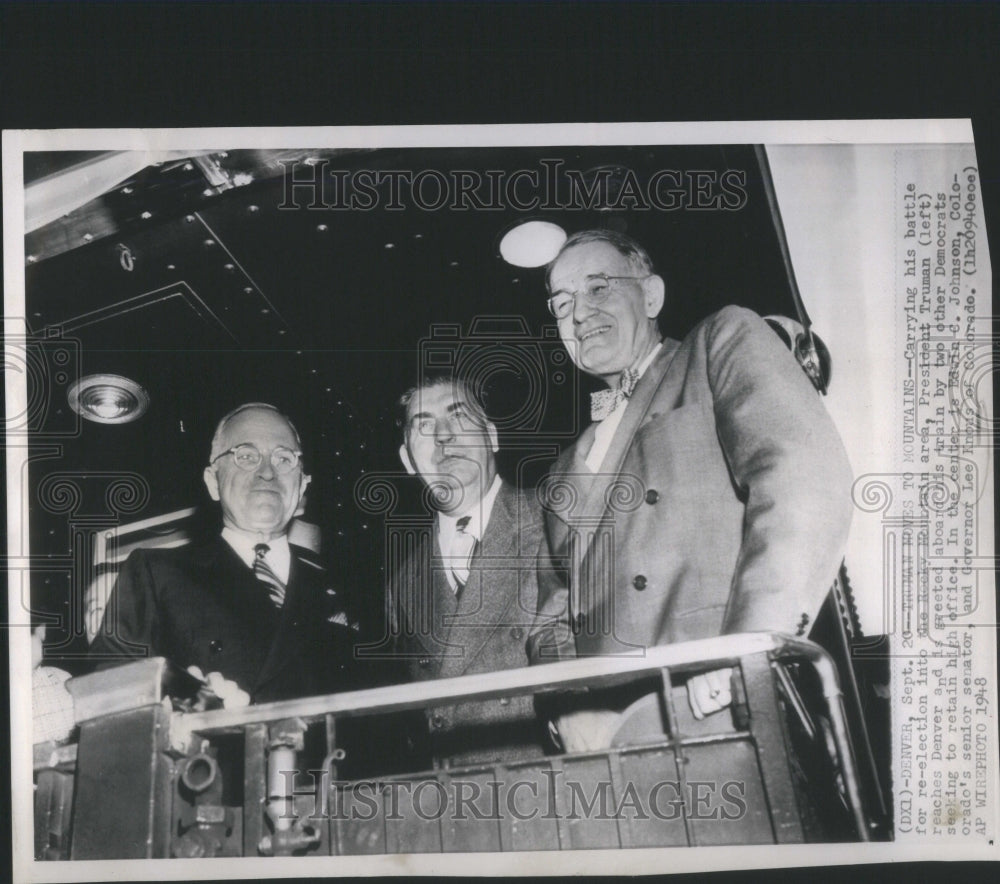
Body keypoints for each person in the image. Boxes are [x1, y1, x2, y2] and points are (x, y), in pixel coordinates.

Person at [527, 229, 854, 751]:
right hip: (611, 742)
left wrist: (745, 648)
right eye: (562, 303)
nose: (580, 312)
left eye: (598, 287)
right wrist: (568, 709)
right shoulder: (560, 471)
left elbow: (802, 479)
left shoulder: (717, 342)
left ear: (651, 295)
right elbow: (550, 618)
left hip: (723, 706)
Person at [90, 403, 358, 704]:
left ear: (303, 485)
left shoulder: (347, 588)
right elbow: (111, 693)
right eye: (246, 456)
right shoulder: (156, 574)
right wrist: (187, 701)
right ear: (212, 482)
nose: (267, 472)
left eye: (284, 458)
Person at [389, 372, 546, 766]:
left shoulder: (553, 520)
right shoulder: (402, 583)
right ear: (408, 460)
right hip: (455, 798)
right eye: (424, 425)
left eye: (458, 415)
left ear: (491, 436)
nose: (444, 436)